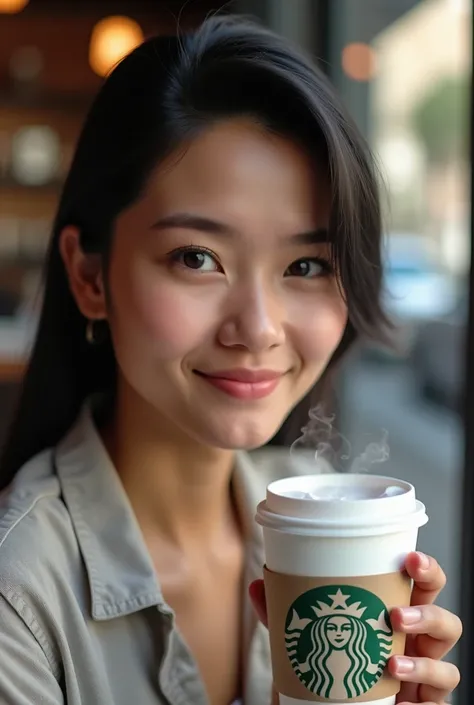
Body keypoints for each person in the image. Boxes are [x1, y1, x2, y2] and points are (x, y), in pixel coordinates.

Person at [0, 14, 461, 705]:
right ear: (91, 276)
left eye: (306, 263)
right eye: (197, 258)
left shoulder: (307, 490)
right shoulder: (21, 593)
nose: (258, 327)